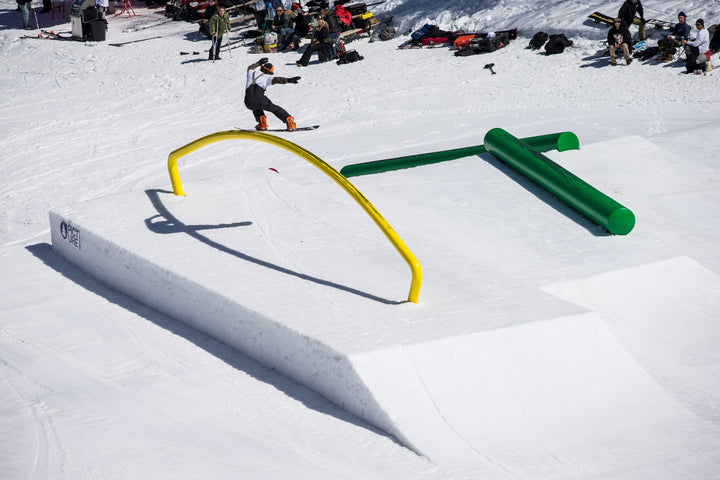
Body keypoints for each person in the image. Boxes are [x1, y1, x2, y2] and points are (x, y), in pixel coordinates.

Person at [245, 58, 301, 131]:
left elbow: (250, 67)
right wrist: (289, 80)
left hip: (248, 102)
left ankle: (262, 123)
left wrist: (258, 63)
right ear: (269, 72)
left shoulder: (251, 72)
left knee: (255, 107)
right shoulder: (267, 77)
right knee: (274, 109)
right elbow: (277, 80)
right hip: (261, 100)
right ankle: (289, 121)